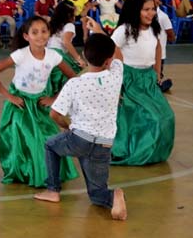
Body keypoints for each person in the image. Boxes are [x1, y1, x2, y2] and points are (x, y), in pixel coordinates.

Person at [34, 27, 128, 220]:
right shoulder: (116, 75)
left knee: (51, 146)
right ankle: (113, 196)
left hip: (79, 138)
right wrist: (99, 30)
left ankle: (53, 190)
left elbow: (54, 114)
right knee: (96, 194)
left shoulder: (75, 84)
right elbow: (118, 55)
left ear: (84, 56)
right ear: (109, 61)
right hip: (104, 142)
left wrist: (67, 126)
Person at [0, 16, 78, 188]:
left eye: (44, 31)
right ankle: (26, 171)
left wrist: (54, 98)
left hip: (40, 103)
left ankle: (50, 171)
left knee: (49, 138)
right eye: (35, 32)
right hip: (20, 104)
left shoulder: (53, 56)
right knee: (26, 139)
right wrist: (9, 96)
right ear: (26, 36)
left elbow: (72, 77)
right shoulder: (20, 55)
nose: (40, 36)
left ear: (49, 34)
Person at [110, 0, 175, 165]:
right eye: (145, 10)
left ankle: (154, 153)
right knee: (147, 118)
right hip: (130, 79)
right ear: (135, 10)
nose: (151, 13)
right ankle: (136, 152)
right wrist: (119, 73)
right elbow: (112, 48)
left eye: (153, 9)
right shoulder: (125, 30)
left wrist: (157, 71)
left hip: (148, 78)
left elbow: (158, 48)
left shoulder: (154, 28)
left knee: (166, 117)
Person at [46, 0, 85, 94]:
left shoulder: (52, 24)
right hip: (58, 54)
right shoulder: (69, 25)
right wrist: (79, 58)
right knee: (74, 73)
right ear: (69, 15)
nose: (75, 16)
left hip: (47, 53)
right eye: (74, 13)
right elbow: (66, 42)